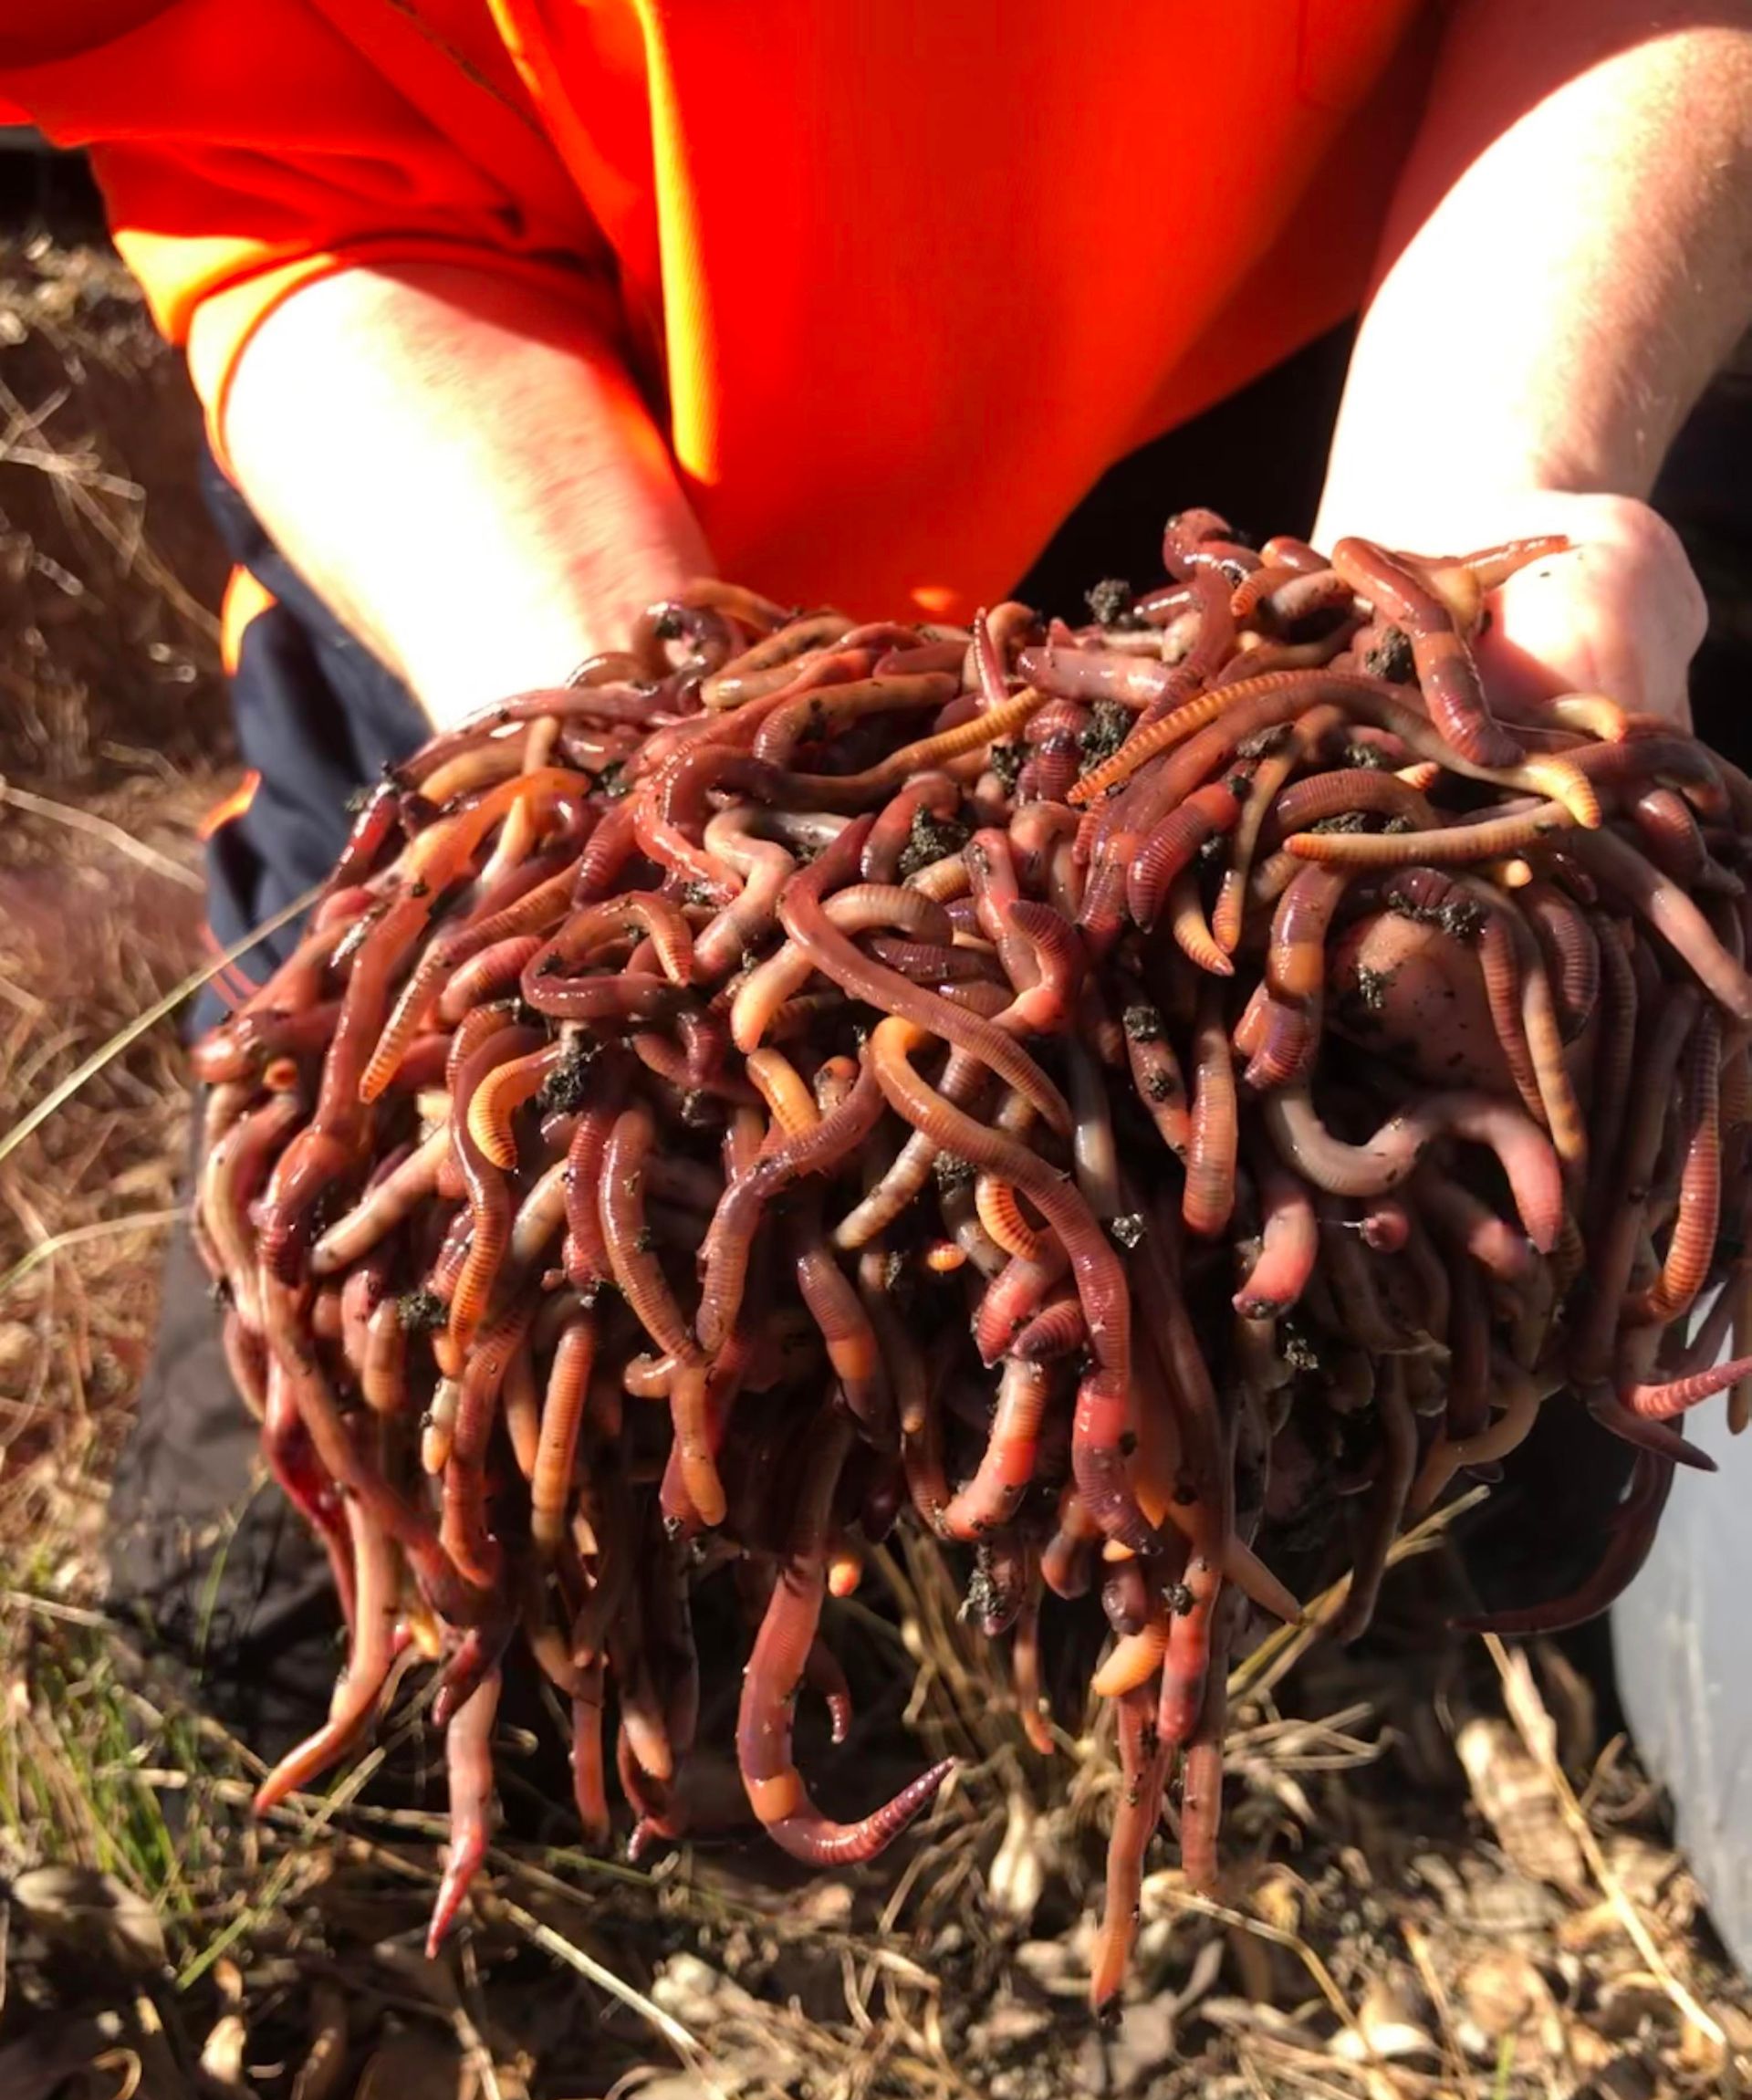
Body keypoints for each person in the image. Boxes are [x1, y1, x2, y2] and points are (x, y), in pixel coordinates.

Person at [2, 4, 1750, 1756]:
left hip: (1375, 352)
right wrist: (605, 715)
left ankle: (1377, 1642)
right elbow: (251, 139)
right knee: (286, 1602)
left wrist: (1491, 500)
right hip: (532, 548)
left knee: (1476, 1299)